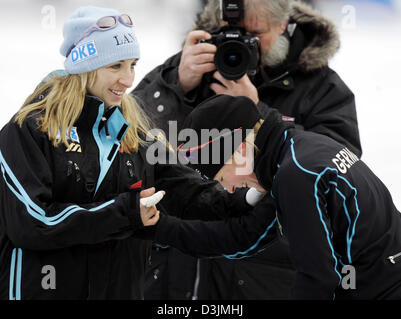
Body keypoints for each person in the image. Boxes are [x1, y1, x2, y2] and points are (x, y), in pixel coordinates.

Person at [0, 6, 255, 300]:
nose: (128, 79)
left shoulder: (132, 130)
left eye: (132, 65)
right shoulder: (29, 130)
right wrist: (126, 212)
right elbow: (33, 224)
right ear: (85, 67)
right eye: (116, 66)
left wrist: (245, 200)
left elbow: (185, 189)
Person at [133, 0, 362, 299]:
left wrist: (258, 112)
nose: (240, 43)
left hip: (263, 274)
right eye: (230, 32)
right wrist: (174, 86)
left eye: (254, 34)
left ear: (283, 25)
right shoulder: (192, 67)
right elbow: (130, 138)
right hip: (176, 272)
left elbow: (335, 169)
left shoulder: (320, 86)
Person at [151, 93, 401, 300]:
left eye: (223, 178)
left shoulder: (296, 176)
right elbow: (244, 236)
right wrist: (159, 227)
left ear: (241, 151)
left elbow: (317, 277)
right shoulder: (300, 149)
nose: (229, 189)